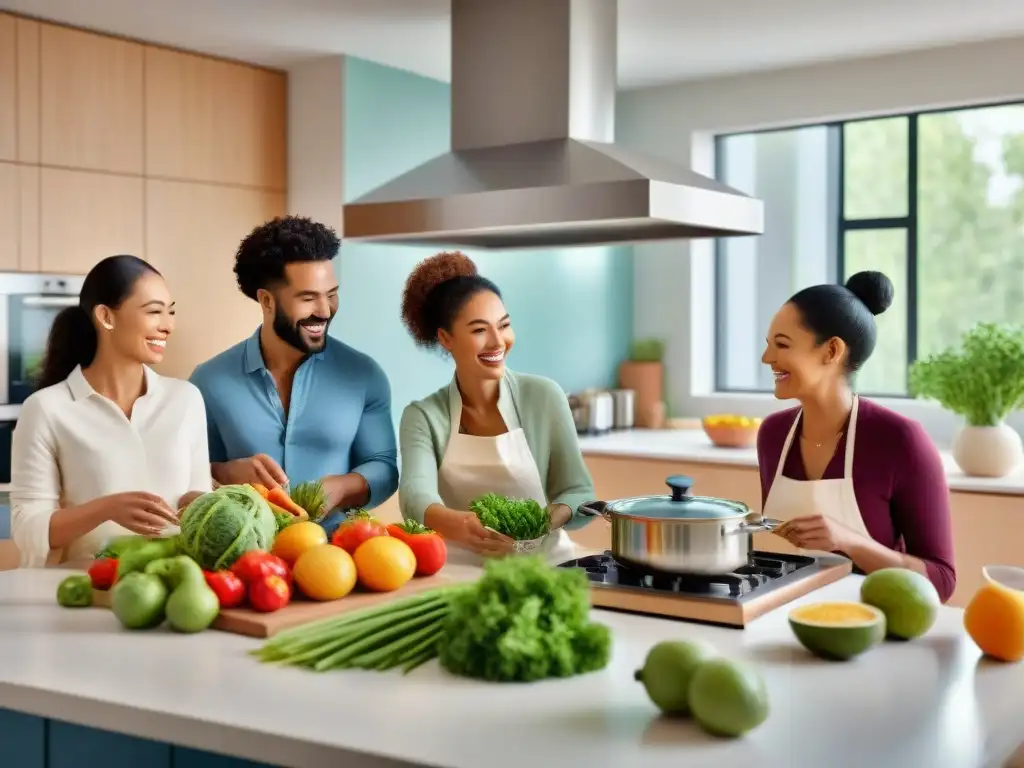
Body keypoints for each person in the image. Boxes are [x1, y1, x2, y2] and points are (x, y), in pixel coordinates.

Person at [189, 216, 398, 533]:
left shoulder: (363, 375)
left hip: (338, 559)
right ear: (267, 300)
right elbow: (187, 475)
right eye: (308, 297)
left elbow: (384, 466)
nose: (325, 310)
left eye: (330, 294)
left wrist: (341, 487)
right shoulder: (209, 382)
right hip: (245, 561)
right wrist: (225, 473)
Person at [757, 270, 956, 602]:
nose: (767, 358)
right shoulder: (773, 435)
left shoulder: (900, 441)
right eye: (768, 345)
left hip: (876, 623)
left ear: (832, 350)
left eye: (782, 344)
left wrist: (848, 541)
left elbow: (941, 581)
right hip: (792, 615)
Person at [10, 255, 212, 567]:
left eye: (170, 312)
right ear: (106, 316)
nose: (168, 325)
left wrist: (206, 504)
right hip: (82, 589)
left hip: (173, 585)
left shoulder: (186, 399)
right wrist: (106, 509)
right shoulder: (47, 409)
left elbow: (196, 494)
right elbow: (27, 529)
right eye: (154, 311)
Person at [397, 251, 595, 566]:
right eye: (479, 330)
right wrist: (464, 526)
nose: (497, 342)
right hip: (458, 573)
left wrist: (533, 530)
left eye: (503, 326)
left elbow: (578, 492)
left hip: (547, 567)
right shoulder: (423, 416)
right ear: (446, 338)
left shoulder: (543, 396)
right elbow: (414, 497)